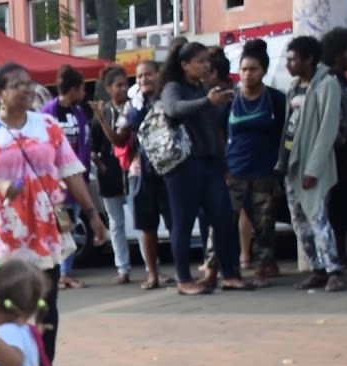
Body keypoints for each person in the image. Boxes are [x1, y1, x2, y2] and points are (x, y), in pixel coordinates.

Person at [0, 62, 107, 366]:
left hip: (43, 227)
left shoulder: (48, 126)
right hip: (2, 228)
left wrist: (92, 213)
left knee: (47, 300)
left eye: (29, 84)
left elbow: (71, 171)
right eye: (18, 85)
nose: (27, 90)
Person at [158, 40, 258, 295]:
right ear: (184, 64)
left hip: (210, 163)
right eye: (200, 61)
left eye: (207, 61)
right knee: (183, 222)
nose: (205, 66)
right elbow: (173, 109)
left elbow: (214, 132)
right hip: (183, 166)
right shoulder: (173, 87)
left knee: (223, 218)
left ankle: (230, 274)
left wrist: (224, 164)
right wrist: (207, 102)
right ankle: (184, 279)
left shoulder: (203, 88)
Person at [279, 34, 346, 292]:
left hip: (312, 165)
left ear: (309, 59)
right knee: (299, 222)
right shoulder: (294, 89)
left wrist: (313, 168)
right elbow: (288, 129)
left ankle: (334, 271)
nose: (289, 65)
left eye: (294, 59)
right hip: (292, 164)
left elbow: (327, 130)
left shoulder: (326, 84)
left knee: (318, 218)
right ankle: (316, 268)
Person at [222, 40, 287, 283]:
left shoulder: (276, 99)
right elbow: (220, 134)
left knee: (264, 221)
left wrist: (281, 163)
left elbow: (286, 134)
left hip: (265, 170)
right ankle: (225, 265)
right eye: (244, 69)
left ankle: (265, 263)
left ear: (264, 71)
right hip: (234, 170)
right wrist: (223, 166)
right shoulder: (230, 101)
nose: (248, 74)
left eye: (253, 69)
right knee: (226, 218)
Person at [116, 60, 171, 290]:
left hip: (170, 169)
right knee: (147, 226)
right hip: (144, 171)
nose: (143, 80)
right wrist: (105, 120)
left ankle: (183, 272)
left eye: (148, 75)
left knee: (175, 223)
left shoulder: (169, 99)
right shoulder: (132, 106)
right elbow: (120, 137)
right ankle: (152, 273)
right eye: (139, 77)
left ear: (158, 75)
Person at [41, 65, 93, 289]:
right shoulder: (46, 114)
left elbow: (84, 143)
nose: (84, 93)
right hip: (54, 183)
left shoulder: (79, 113)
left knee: (69, 224)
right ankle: (56, 272)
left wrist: (81, 170)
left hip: (75, 178)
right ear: (73, 89)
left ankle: (65, 273)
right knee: (59, 224)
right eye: (82, 88)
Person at [89, 65, 132, 284]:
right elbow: (93, 146)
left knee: (143, 222)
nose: (124, 89)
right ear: (108, 88)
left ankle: (152, 267)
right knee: (116, 223)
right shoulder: (102, 114)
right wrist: (100, 163)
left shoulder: (135, 108)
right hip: (110, 175)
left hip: (133, 174)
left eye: (126, 84)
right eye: (119, 85)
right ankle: (123, 268)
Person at [322, 27, 347, 271]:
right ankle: (339, 256)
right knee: (337, 207)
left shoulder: (344, 79)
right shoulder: (330, 80)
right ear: (337, 53)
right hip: (339, 153)